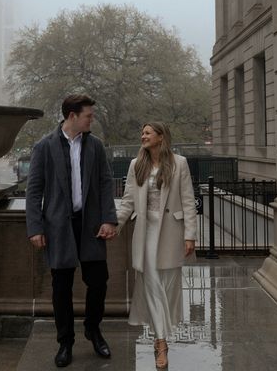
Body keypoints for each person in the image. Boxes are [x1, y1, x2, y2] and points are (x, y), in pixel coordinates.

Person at [26, 94, 117, 368]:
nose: (92, 119)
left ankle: (93, 329)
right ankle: (65, 342)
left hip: (90, 225)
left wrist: (109, 219)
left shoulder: (96, 146)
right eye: (88, 115)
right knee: (61, 287)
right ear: (72, 116)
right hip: (58, 227)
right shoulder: (44, 147)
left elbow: (105, 183)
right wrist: (35, 227)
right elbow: (34, 191)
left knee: (98, 280)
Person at [116, 122, 197, 369]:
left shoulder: (179, 163)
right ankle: (161, 342)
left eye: (148, 133)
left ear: (161, 137)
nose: (143, 136)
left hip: (171, 232)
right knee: (151, 285)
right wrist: (114, 225)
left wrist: (190, 235)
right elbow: (128, 200)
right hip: (145, 232)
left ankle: (159, 335)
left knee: (167, 286)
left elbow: (188, 200)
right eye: (142, 132)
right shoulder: (135, 165)